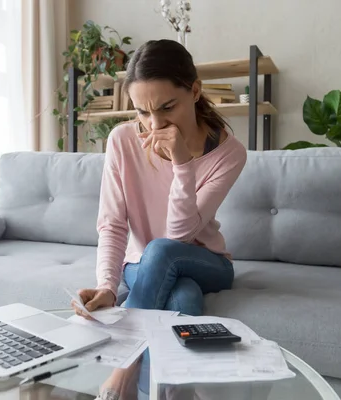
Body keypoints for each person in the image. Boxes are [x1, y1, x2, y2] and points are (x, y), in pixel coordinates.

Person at [71, 39, 247, 400]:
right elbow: (113, 224)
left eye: (168, 107)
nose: (155, 124)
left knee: (163, 250)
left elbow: (180, 236)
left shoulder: (229, 153)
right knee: (183, 295)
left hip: (207, 262)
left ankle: (123, 368)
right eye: (142, 112)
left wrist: (182, 163)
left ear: (195, 90)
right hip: (141, 264)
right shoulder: (121, 141)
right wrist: (107, 286)